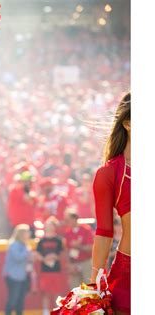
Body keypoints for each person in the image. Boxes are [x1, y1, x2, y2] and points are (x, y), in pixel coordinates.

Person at [91, 92, 130, 314]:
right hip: (129, 276)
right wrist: (94, 284)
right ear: (128, 124)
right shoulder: (109, 173)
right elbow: (105, 231)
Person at [35, 217, 65, 315]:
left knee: (57, 292)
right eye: (48, 225)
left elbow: (62, 253)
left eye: (51, 225)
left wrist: (55, 257)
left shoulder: (59, 240)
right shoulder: (41, 241)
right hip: (45, 270)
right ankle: (45, 312)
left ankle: (58, 310)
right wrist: (44, 259)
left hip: (56, 270)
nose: (49, 227)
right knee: (45, 292)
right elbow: (37, 254)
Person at [2, 224, 32, 315]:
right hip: (13, 277)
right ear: (21, 234)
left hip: (22, 277)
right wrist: (27, 251)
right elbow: (18, 258)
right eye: (27, 232)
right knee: (13, 300)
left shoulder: (24, 245)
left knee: (20, 301)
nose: (29, 234)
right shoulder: (14, 245)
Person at [63, 209, 93, 288]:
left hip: (85, 262)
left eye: (68, 220)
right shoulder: (68, 232)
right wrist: (69, 264)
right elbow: (67, 250)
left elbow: (90, 247)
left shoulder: (86, 229)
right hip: (74, 263)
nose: (66, 222)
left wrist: (78, 246)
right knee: (74, 289)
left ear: (74, 219)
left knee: (88, 287)